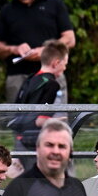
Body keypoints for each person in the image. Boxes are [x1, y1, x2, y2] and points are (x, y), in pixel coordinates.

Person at [0, 0, 75, 104]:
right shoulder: (8, 10)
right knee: (21, 122)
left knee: (55, 122)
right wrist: (14, 49)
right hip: (18, 77)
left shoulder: (54, 4)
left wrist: (47, 50)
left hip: (52, 73)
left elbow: (70, 39)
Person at [8, 40, 70, 173]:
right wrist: (59, 122)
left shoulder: (30, 79)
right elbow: (40, 120)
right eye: (65, 64)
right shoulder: (52, 85)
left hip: (20, 139)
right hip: (32, 143)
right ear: (56, 63)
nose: (65, 68)